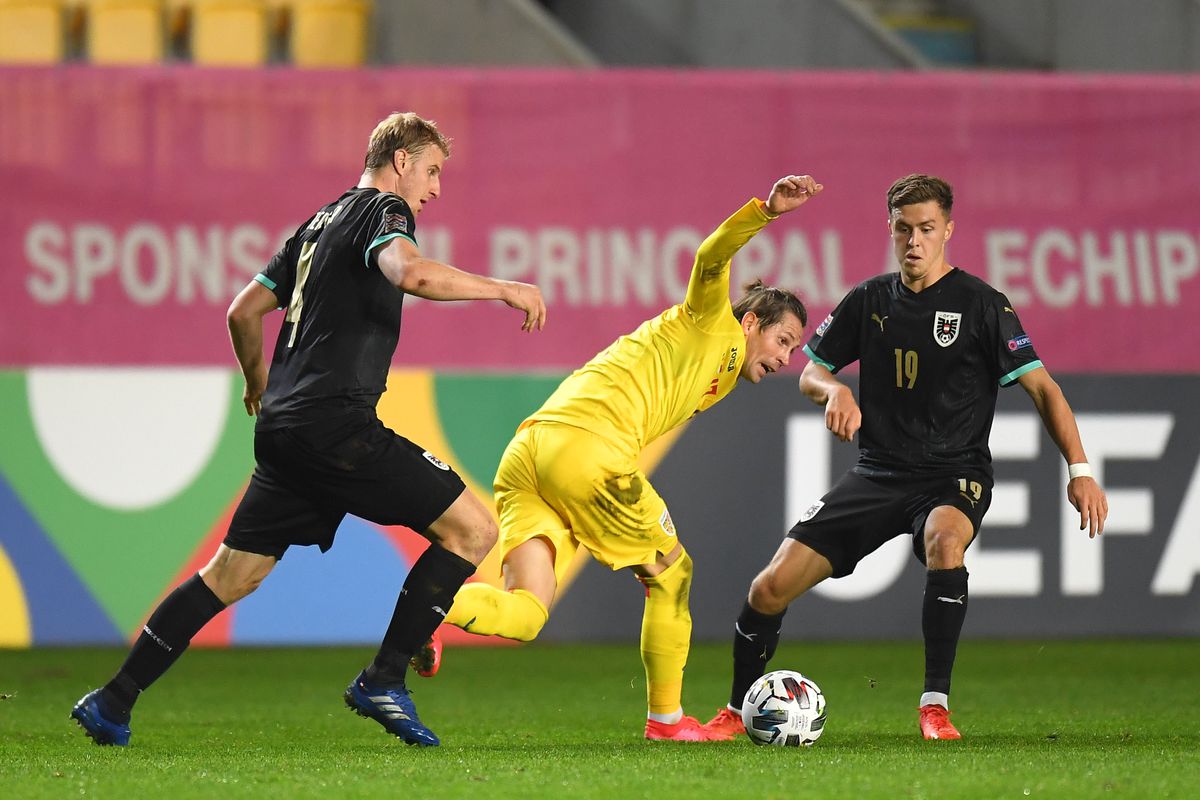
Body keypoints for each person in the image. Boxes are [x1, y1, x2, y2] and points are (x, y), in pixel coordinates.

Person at [69, 111, 547, 748]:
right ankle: (384, 676)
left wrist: (257, 381)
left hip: (285, 431)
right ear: (399, 160)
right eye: (431, 171)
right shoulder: (384, 212)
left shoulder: (315, 226)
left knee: (230, 576)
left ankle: (113, 700)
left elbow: (243, 311)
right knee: (474, 529)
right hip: (336, 427)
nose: (435, 189)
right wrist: (503, 288)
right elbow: (411, 273)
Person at [704, 173, 1108, 742]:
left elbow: (1043, 388)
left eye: (926, 229)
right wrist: (835, 390)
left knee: (945, 539)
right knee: (768, 588)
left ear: (948, 230)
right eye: (903, 230)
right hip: (878, 473)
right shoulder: (870, 300)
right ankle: (733, 711)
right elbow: (812, 372)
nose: (914, 241)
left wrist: (1081, 471)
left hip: (953, 474)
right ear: (890, 230)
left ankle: (934, 706)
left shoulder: (982, 305)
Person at [438, 175, 823, 742]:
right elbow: (712, 255)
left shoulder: (718, 370)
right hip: (589, 453)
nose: (787, 358)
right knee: (674, 573)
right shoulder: (709, 319)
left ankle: (427, 606)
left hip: (530, 454)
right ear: (750, 322)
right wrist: (765, 211)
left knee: (526, 613)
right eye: (783, 340)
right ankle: (666, 722)